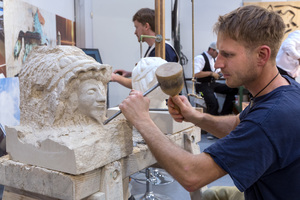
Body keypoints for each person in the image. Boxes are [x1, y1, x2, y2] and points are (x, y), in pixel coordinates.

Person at [119, 5, 300, 200]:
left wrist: (142, 120)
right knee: (211, 196)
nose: (217, 64)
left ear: (261, 55)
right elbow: (237, 125)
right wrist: (195, 116)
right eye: (218, 53)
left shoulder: (270, 118)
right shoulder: (285, 88)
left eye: (228, 55)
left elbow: (192, 174)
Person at [111, 8, 179, 89]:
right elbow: (151, 75)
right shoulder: (153, 48)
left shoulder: (163, 50)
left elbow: (146, 86)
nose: (135, 32)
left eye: (136, 27)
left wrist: (115, 78)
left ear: (146, 26)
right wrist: (130, 74)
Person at [194, 42, 238, 116]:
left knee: (233, 89)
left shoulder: (213, 59)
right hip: (202, 86)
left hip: (212, 84)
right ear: (211, 50)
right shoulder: (200, 58)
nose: (218, 55)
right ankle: (210, 124)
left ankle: (225, 113)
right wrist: (211, 74)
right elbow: (196, 74)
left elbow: (217, 71)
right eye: (217, 53)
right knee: (213, 104)